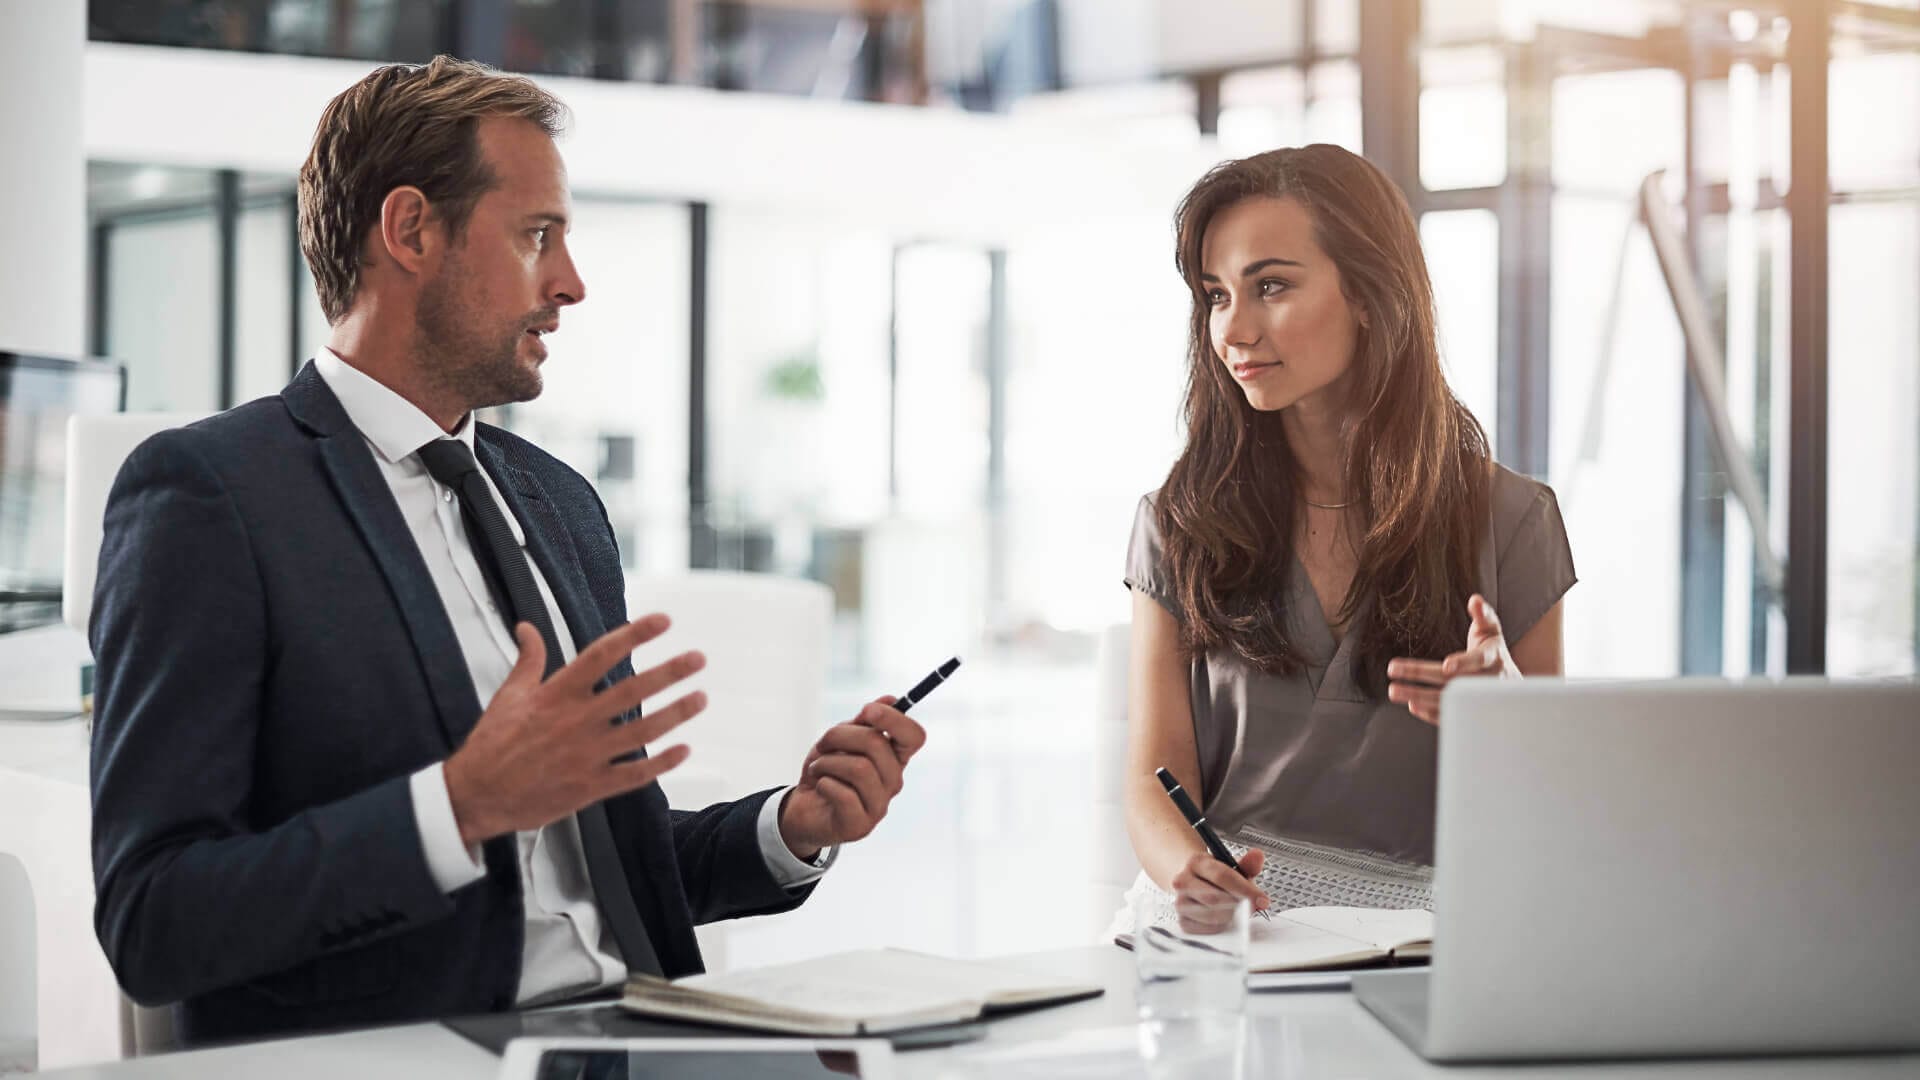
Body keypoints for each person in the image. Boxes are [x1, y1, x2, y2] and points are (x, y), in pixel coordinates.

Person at [88, 56, 924, 1047]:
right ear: (410, 231)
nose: (569, 284)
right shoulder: (210, 495)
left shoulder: (557, 504)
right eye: (537, 236)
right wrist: (457, 807)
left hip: (627, 1043)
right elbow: (154, 921)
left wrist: (789, 828)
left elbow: (609, 864)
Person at [1122, 145, 1575, 918]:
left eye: (1271, 286)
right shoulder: (1178, 520)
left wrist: (1507, 709)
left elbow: (1554, 795)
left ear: (1370, 292)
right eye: (1215, 295)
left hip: (1425, 932)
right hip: (1232, 927)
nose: (1233, 329)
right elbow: (1153, 777)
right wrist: (1189, 871)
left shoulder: (1511, 519)